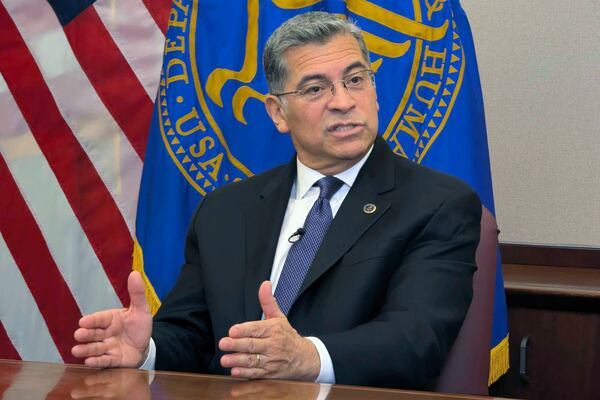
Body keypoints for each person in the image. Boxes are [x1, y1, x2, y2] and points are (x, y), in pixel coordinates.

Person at [72, 11, 481, 389]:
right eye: (315, 88)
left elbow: (417, 338)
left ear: (374, 90)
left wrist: (307, 357)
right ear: (277, 113)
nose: (343, 101)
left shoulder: (436, 205)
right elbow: (192, 336)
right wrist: (147, 350)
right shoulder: (225, 211)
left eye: (356, 80)